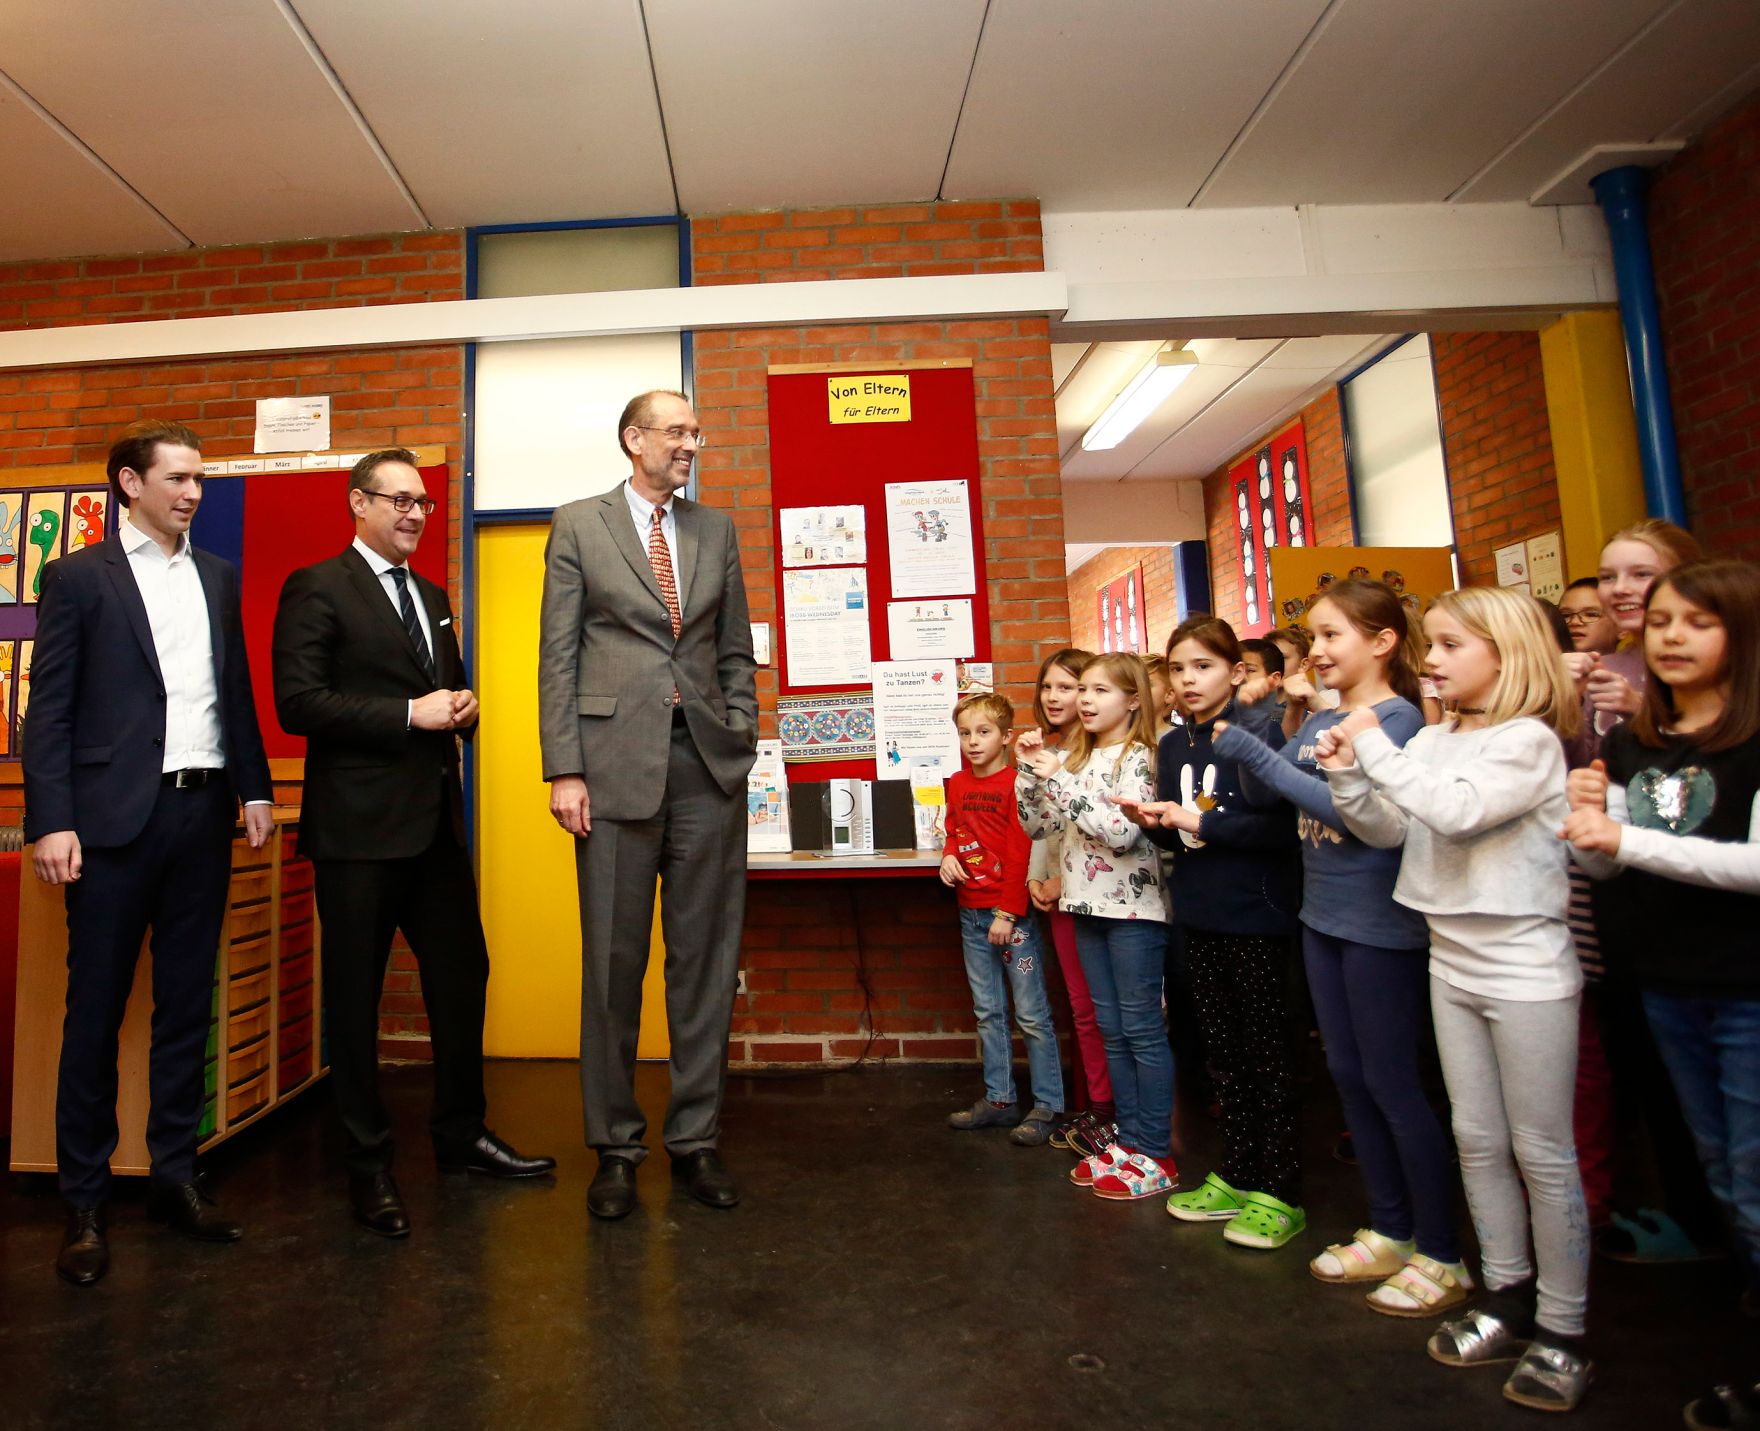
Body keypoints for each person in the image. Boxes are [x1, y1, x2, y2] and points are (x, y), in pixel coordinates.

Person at [1321, 587, 1591, 1413]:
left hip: (1525, 965)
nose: (1430, 660)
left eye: (1448, 645)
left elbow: (1460, 812)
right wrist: (1348, 777)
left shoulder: (1529, 742)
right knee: (1476, 1136)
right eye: (1430, 644)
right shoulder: (1437, 737)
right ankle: (1506, 1292)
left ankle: (1564, 1329)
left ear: (1504, 657)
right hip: (1453, 957)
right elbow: (1395, 829)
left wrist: (1371, 742)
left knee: (1540, 1148)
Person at [273, 449, 553, 1239]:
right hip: (357, 835)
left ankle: (462, 1135)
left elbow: (447, 698)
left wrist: (463, 708)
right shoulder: (317, 586)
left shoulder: (431, 596)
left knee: (464, 979)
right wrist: (409, 714)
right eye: (398, 500)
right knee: (356, 1001)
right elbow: (299, 703)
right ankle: (367, 1165)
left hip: (433, 828)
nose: (415, 514)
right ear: (358, 504)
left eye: (424, 503)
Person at [25, 419, 273, 1286]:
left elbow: (229, 688)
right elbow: (46, 711)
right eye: (177, 478)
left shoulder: (216, 574)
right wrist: (50, 820)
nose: (194, 492)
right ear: (130, 484)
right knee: (92, 1015)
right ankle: (84, 1201)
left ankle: (176, 1177)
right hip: (108, 828)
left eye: (199, 478)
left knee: (184, 1010)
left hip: (201, 820)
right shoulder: (77, 578)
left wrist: (256, 788)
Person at [1215, 579, 1466, 1316]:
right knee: (1350, 1078)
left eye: (1332, 637)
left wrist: (1260, 754)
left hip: (1380, 926)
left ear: (1383, 642)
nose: (1317, 651)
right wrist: (1281, 731)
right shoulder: (1324, 713)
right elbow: (1270, 795)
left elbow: (1359, 817)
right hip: (1321, 915)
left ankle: (1441, 1248)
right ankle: (1389, 1226)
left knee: (1394, 1083)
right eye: (1314, 638)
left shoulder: (1397, 717)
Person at [539, 390, 758, 1221]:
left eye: (697, 431)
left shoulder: (715, 529)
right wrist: (565, 767)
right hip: (611, 768)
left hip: (706, 768)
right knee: (612, 967)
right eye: (677, 431)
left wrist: (739, 734)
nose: (691, 444)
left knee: (703, 965)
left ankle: (695, 1141)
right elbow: (557, 653)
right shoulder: (579, 524)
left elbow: (732, 647)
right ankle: (616, 1148)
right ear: (634, 440)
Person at [1562, 559, 1760, 1427]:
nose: (1672, 636)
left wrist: (1623, 841)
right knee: (1723, 1171)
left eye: (1698, 623)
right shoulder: (1640, 739)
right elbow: (1605, 861)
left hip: (1748, 986)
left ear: (1742, 637)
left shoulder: (1753, 738)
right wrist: (1588, 831)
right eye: (1664, 621)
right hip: (1665, 981)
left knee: (1754, 1180)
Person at [1123, 616, 1305, 1249]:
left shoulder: (1259, 732)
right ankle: (1235, 1173)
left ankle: (1279, 1188)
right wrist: (1154, 823)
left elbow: (1282, 831)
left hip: (1256, 914)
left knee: (1267, 1055)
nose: (1188, 680)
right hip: (1196, 912)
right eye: (1177, 669)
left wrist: (1200, 825)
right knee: (1222, 1056)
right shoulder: (1174, 746)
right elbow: (1181, 831)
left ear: (1235, 672)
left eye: (1202, 667)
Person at [1573, 520, 1722, 1263]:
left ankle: (1710, 1226)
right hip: (1624, 907)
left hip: (1711, 927)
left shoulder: (1687, 694)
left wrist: (1637, 722)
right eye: (1611, 576)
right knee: (1653, 1070)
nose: (1622, 590)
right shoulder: (1607, 673)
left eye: (1642, 575)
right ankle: (1687, 1216)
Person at [1017, 652, 1175, 1201]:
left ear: (1133, 700)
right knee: (1110, 1031)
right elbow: (1040, 827)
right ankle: (1127, 1144)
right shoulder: (1077, 758)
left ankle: (1155, 1151)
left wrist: (1058, 777)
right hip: (1085, 910)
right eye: (1082, 688)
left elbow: (1119, 833)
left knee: (1141, 1033)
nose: (1084, 699)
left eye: (1100, 690)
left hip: (1133, 914)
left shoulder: (1142, 757)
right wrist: (1030, 777)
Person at [939, 692, 1063, 1145]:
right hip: (971, 915)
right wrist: (947, 858)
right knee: (988, 1012)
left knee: (1031, 1014)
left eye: (984, 732)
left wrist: (1008, 912)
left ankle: (1048, 1105)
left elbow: (1022, 849)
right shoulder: (956, 783)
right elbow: (954, 831)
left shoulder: (1017, 784)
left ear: (1007, 737)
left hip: (1011, 921)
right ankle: (1000, 1099)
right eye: (965, 733)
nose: (973, 742)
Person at [1023, 648, 1115, 1152]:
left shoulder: (1098, 752)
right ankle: (1094, 1108)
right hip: (1059, 895)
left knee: (1108, 1013)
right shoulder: (1055, 747)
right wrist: (1041, 879)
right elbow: (1047, 831)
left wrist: (1058, 879)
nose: (1055, 697)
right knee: (1082, 1010)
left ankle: (1112, 1112)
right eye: (1048, 686)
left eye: (1070, 686)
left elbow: (1105, 831)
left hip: (1096, 895)